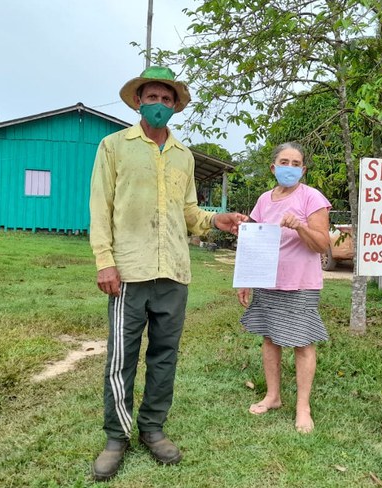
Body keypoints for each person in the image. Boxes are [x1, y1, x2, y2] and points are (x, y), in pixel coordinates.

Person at [89, 65, 247, 481]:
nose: (159, 105)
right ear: (138, 101)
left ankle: (153, 429)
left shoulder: (184, 156)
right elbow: (100, 208)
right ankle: (116, 437)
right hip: (128, 271)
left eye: (166, 99)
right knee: (122, 357)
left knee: (164, 357)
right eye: (151, 97)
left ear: (176, 106)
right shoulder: (113, 147)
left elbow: (190, 214)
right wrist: (105, 261)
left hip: (174, 272)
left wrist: (219, 220)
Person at [237, 142, 331, 434]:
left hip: (300, 282)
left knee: (303, 343)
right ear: (273, 167)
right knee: (270, 338)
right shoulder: (264, 200)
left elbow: (322, 244)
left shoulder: (312, 198)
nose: (289, 167)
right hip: (268, 281)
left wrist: (300, 226)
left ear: (303, 169)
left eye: (295, 163)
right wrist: (244, 279)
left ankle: (303, 407)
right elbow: (252, 240)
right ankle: (273, 396)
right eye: (284, 161)